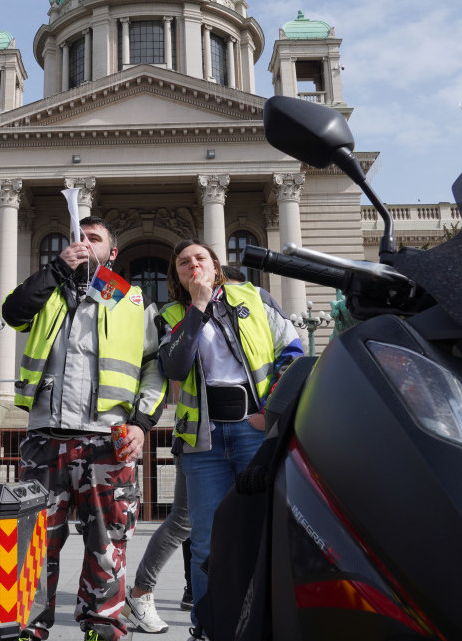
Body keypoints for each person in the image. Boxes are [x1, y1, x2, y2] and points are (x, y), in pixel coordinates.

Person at [2, 215, 166, 641]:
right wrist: (56, 269)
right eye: (78, 238)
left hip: (107, 442)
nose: (83, 244)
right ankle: (27, 626)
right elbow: (12, 313)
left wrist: (142, 422)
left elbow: (155, 367)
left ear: (112, 252)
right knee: (34, 539)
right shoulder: (49, 290)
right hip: (46, 439)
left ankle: (103, 626)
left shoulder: (132, 302)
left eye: (94, 239)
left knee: (107, 541)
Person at [156, 239, 304, 640]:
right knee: (207, 544)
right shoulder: (169, 314)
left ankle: (264, 623)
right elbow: (175, 365)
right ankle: (209, 626)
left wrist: (270, 413)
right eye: (183, 262)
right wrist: (198, 308)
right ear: (177, 274)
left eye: (200, 258)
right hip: (203, 442)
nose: (192, 265)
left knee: (261, 533)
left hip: (252, 432)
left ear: (216, 265)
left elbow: (292, 352)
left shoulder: (253, 296)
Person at [123, 449, 190, 633]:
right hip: (201, 440)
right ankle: (141, 592)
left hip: (250, 433)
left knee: (237, 518)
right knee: (183, 520)